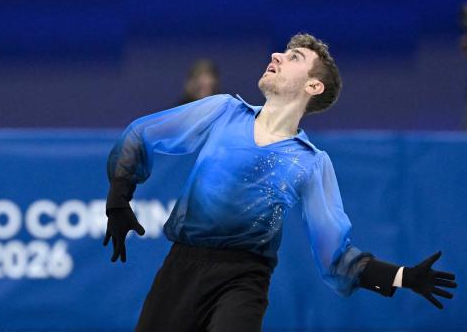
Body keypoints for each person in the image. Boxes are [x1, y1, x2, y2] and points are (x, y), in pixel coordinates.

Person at [103, 33, 457, 332]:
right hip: (179, 271)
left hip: (243, 280)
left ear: (312, 85)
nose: (276, 56)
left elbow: (335, 257)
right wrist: (119, 198)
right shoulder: (223, 111)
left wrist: (401, 276)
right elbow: (142, 134)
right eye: (282, 53)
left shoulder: (311, 162)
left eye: (293, 57)